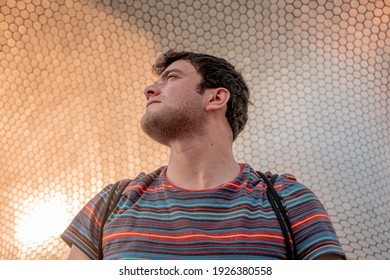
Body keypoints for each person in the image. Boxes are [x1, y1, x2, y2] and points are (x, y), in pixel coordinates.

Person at [61, 50, 346, 260]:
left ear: (216, 98)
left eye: (171, 77)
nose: (149, 90)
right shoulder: (110, 203)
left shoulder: (290, 200)